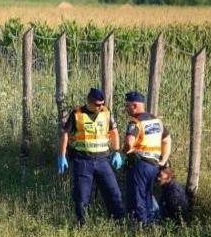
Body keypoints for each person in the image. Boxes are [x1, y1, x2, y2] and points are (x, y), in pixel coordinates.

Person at [58, 88, 125, 225]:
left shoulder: (106, 113)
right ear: (89, 102)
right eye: (97, 104)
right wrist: (62, 155)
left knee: (113, 192)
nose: (100, 107)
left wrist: (117, 151)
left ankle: (118, 223)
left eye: (102, 104)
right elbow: (65, 133)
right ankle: (82, 225)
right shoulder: (77, 114)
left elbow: (114, 132)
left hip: (103, 160)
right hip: (83, 161)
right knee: (82, 197)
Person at [122, 91, 172, 226]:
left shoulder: (135, 121)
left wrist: (124, 151)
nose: (126, 109)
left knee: (138, 199)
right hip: (154, 166)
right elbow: (167, 140)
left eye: (127, 106)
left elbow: (129, 142)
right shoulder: (156, 120)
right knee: (148, 197)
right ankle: (152, 225)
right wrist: (162, 160)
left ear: (134, 106)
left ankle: (141, 229)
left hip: (140, 165)